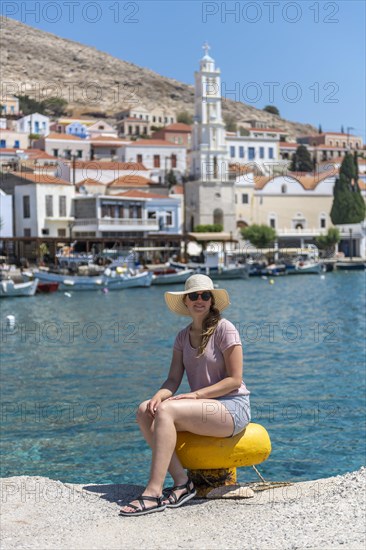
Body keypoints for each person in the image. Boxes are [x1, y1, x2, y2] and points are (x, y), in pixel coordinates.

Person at [119, 274, 251, 517]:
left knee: (167, 411)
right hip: (204, 408)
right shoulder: (182, 337)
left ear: (212, 301)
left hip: (232, 407)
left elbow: (234, 379)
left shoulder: (225, 329)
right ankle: (182, 483)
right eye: (194, 296)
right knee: (144, 410)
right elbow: (172, 380)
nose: (199, 299)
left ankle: (153, 492)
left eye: (205, 295)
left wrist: (195, 395)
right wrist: (159, 396)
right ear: (186, 302)